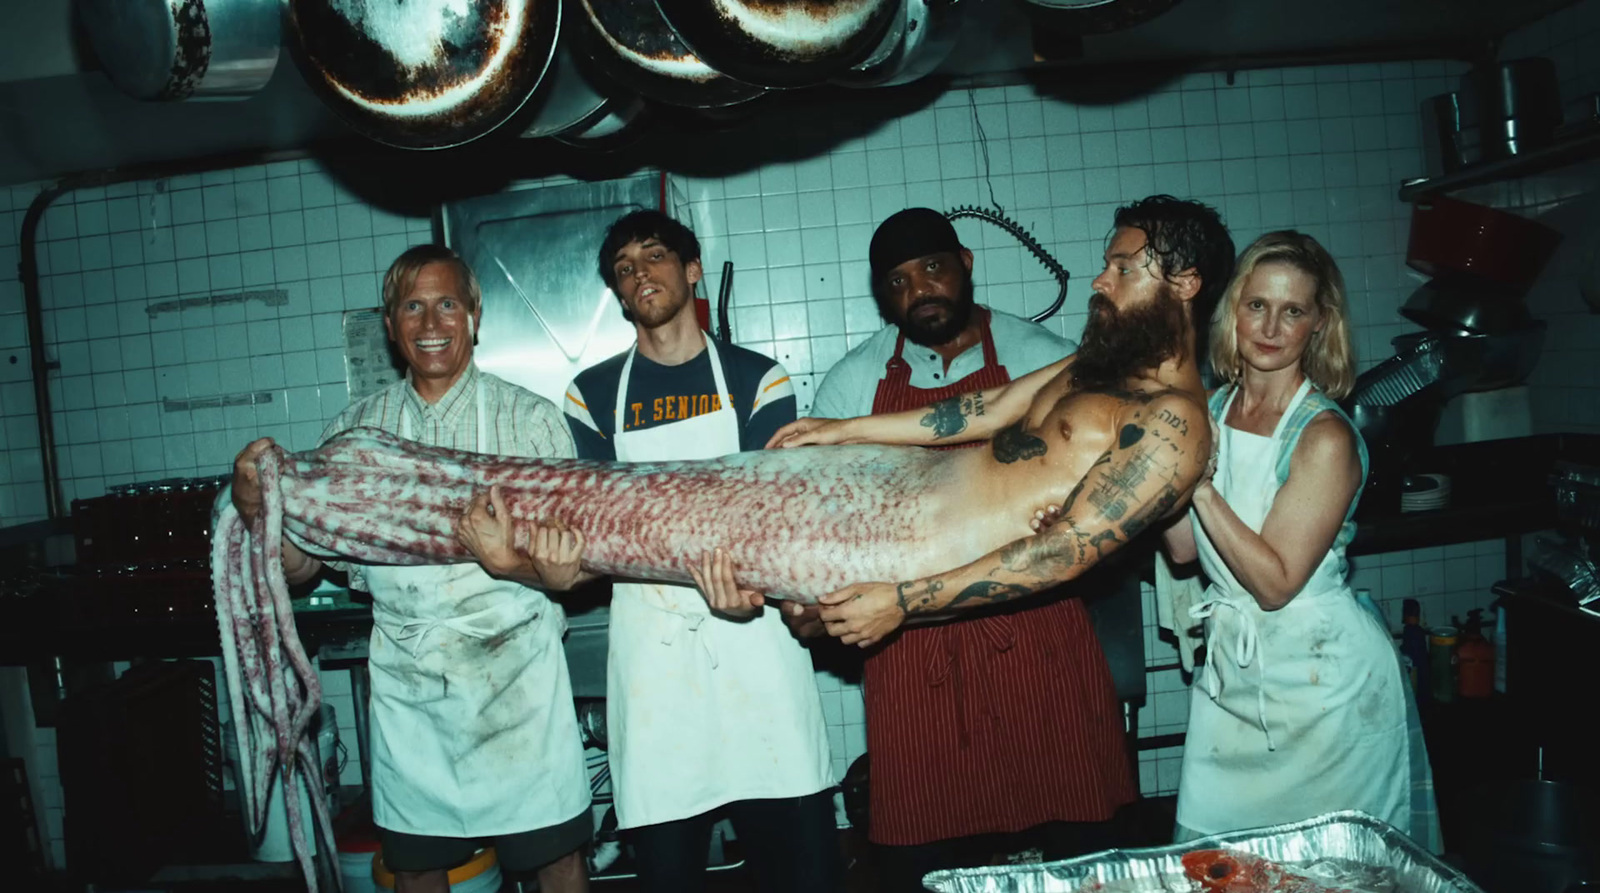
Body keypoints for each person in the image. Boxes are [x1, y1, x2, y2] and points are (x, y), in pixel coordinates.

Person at [770, 195, 1235, 887]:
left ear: (1186, 282)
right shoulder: (1099, 365)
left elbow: (1060, 552)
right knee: (915, 861)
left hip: (1013, 620)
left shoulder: (1175, 425)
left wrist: (902, 600)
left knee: (1083, 857)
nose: (1100, 280)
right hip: (924, 633)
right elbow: (987, 408)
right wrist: (842, 429)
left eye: (1120, 266)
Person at [231, 245, 592, 893]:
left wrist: (535, 567)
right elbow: (301, 568)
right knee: (417, 867)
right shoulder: (353, 435)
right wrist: (263, 518)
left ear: (475, 316)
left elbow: (574, 570)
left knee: (557, 862)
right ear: (391, 325)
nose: (432, 322)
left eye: (448, 303)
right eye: (413, 306)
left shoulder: (533, 422)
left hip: (522, 689)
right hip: (410, 692)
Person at [556, 210, 842, 893]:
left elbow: (767, 511)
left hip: (758, 643)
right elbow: (602, 522)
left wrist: (734, 573)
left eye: (653, 257)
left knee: (798, 865)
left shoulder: (758, 379)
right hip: (655, 661)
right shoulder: (590, 395)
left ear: (691, 271)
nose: (639, 274)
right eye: (624, 270)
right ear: (620, 296)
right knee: (667, 867)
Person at [1159, 231, 1432, 843]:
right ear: (1234, 309)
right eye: (1257, 305)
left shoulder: (1324, 437)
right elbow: (1183, 550)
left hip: (1323, 688)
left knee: (1329, 871)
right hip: (1234, 673)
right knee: (1214, 862)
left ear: (1319, 324)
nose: (1271, 326)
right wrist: (1159, 474)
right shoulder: (1211, 410)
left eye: (1293, 311)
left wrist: (1200, 486)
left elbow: (1276, 582)